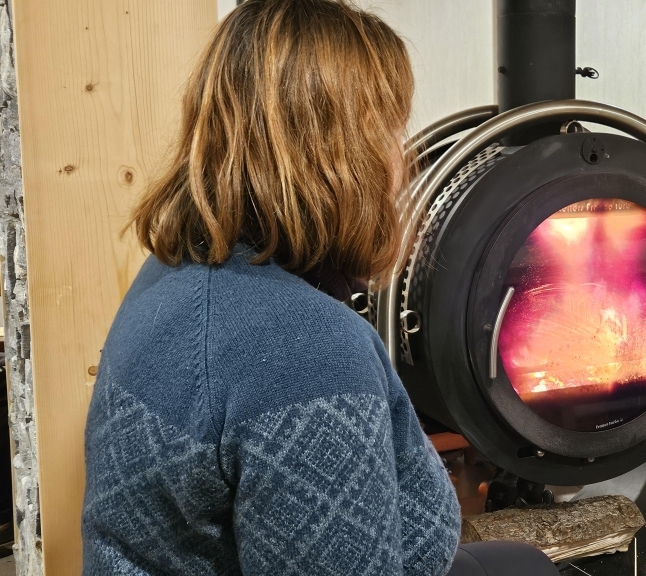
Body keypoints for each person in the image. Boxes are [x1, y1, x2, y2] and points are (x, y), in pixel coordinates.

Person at [81, 1, 557, 574]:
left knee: (519, 562)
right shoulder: (308, 353)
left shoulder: (173, 270)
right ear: (342, 154)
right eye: (389, 128)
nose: (401, 155)